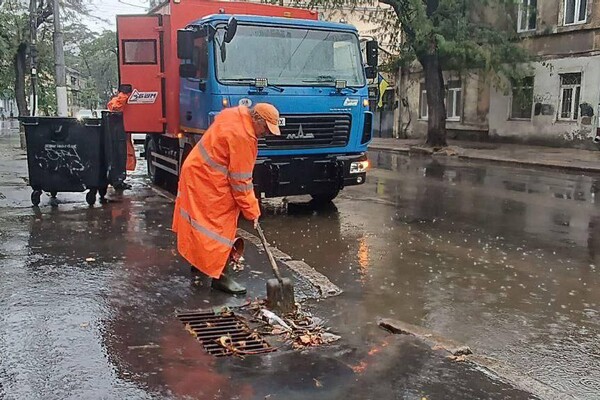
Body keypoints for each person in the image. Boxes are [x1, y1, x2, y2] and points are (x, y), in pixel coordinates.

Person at [172, 103, 281, 294]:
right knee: (218, 229)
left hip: (198, 172)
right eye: (265, 128)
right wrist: (253, 211)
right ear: (257, 119)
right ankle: (220, 276)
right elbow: (241, 182)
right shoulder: (243, 137)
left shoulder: (235, 115)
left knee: (200, 225)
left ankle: (200, 264)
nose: (266, 134)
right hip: (208, 181)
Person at [107, 86, 136, 190]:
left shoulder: (124, 100)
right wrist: (124, 96)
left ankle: (119, 180)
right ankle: (117, 181)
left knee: (121, 158)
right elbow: (115, 107)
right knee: (118, 158)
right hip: (118, 136)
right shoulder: (118, 100)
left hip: (121, 135)